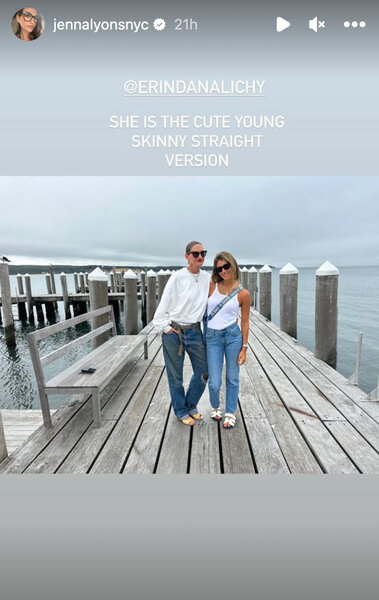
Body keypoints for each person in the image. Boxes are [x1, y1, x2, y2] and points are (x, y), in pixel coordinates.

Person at [152, 241, 210, 426]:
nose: (200, 256)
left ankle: (190, 404)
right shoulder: (177, 277)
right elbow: (163, 305)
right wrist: (164, 326)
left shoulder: (207, 278)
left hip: (194, 330)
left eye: (203, 253)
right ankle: (180, 410)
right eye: (195, 254)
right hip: (174, 331)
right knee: (175, 375)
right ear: (187, 256)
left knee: (204, 372)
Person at [205, 252, 250, 428]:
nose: (223, 271)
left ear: (233, 265)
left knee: (232, 377)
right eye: (220, 268)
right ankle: (215, 406)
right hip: (212, 337)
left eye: (226, 266)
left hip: (233, 336)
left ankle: (231, 411)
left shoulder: (243, 294)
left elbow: (245, 322)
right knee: (214, 382)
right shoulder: (211, 286)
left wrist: (244, 347)